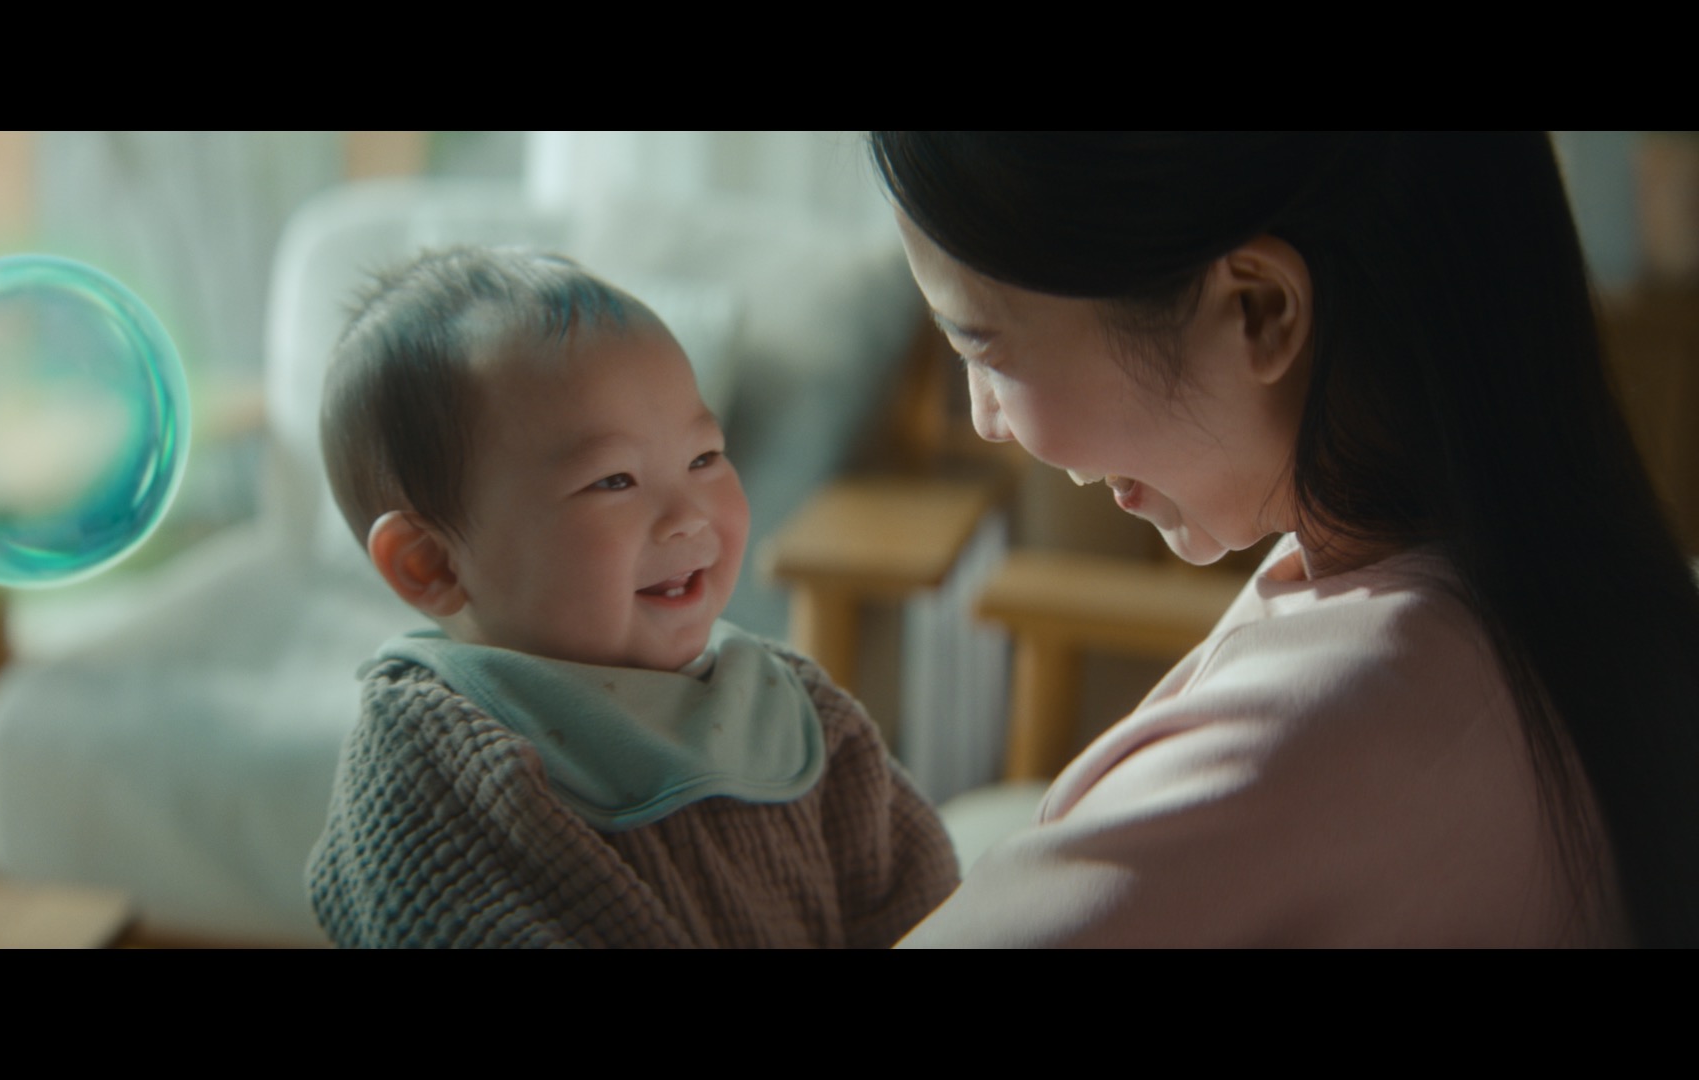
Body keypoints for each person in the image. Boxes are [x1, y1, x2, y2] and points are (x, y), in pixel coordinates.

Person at [874, 131, 1699, 947]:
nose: (985, 419)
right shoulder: (1568, 593)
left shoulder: (1320, 738)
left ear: (1257, 309)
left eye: (981, 345)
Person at [306, 247, 958, 947]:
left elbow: (925, 902)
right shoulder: (427, 759)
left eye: (704, 458)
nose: (687, 516)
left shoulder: (792, 709)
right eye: (613, 480)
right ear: (430, 563)